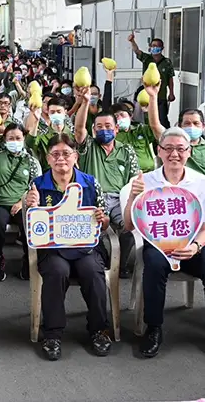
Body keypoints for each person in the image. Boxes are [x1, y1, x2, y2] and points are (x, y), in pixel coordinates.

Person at [121, 127, 205, 363]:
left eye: (180, 149)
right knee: (153, 266)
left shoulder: (201, 183)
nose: (174, 154)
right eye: (168, 148)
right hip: (159, 246)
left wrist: (195, 247)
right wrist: (133, 197)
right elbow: (130, 226)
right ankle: (153, 329)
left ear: (189, 152)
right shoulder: (146, 181)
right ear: (159, 151)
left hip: (192, 246)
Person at [25, 135, 112, 360]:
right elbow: (33, 226)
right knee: (57, 271)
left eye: (66, 153)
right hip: (53, 248)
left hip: (85, 247)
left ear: (76, 156)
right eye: (55, 154)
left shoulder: (91, 182)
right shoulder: (37, 184)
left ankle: (99, 330)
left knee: (92, 271)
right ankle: (52, 333)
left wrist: (103, 219)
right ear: (48, 158)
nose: (61, 158)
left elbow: (104, 224)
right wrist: (31, 207)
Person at [74, 86, 140, 276]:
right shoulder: (88, 147)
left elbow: (133, 179)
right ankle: (102, 256)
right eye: (99, 127)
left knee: (130, 224)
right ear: (94, 130)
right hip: (93, 200)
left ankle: (121, 264)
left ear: (116, 129)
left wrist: (131, 201)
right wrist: (85, 102)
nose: (104, 130)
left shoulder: (126, 151)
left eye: (108, 126)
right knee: (94, 229)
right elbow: (79, 129)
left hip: (119, 199)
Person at [0, 123, 41, 281]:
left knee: (29, 225)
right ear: (4, 140)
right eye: (10, 138)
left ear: (24, 139)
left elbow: (33, 186)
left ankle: (28, 260)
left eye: (18, 138)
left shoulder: (30, 161)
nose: (14, 141)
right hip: (0, 202)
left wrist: (21, 202)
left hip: (21, 202)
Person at [129, 34, 175, 128]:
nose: (154, 48)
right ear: (150, 47)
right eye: (152, 46)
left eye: (157, 46)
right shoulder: (147, 58)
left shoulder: (167, 62)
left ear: (162, 48)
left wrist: (171, 92)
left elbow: (170, 78)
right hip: (147, 95)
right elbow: (137, 51)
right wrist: (132, 41)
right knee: (147, 119)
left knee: (162, 119)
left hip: (161, 95)